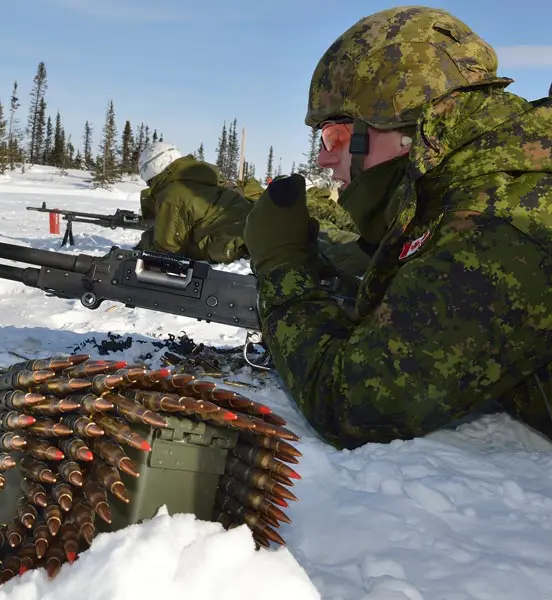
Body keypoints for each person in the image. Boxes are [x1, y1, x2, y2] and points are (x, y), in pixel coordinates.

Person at [243, 6, 552, 450]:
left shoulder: (502, 217)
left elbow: (356, 403)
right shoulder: (475, 182)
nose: (325, 158)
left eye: (336, 137)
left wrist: (281, 263)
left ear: (404, 126)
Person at [135, 142, 254, 264]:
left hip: (232, 241)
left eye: (144, 169)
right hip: (251, 225)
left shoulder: (172, 194)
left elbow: (167, 250)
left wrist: (144, 242)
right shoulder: (199, 178)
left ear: (155, 165)